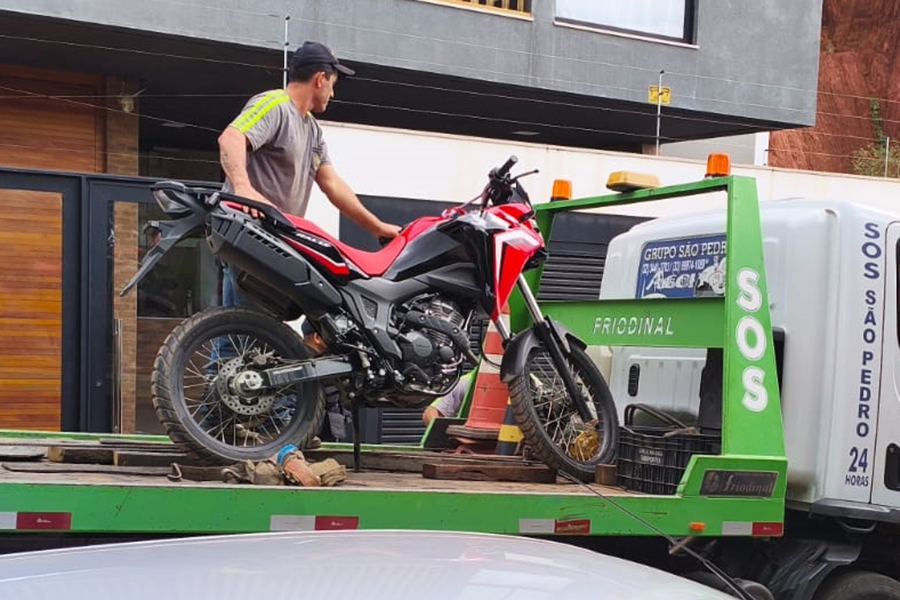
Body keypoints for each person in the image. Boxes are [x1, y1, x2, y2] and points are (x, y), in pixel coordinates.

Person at [217, 39, 400, 309]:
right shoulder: (274, 105)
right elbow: (231, 138)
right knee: (244, 329)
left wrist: (378, 228)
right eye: (332, 85)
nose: (332, 95)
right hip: (250, 232)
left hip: (274, 240)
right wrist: (243, 189)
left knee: (261, 331)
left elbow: (332, 184)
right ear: (320, 79)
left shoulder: (312, 129)